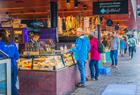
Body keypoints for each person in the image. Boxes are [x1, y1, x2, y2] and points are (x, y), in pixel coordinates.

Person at [0, 29, 20, 95]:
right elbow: (17, 56)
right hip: (13, 66)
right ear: (7, 34)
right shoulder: (12, 43)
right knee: (13, 84)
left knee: (4, 85)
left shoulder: (0, 44)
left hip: (3, 67)